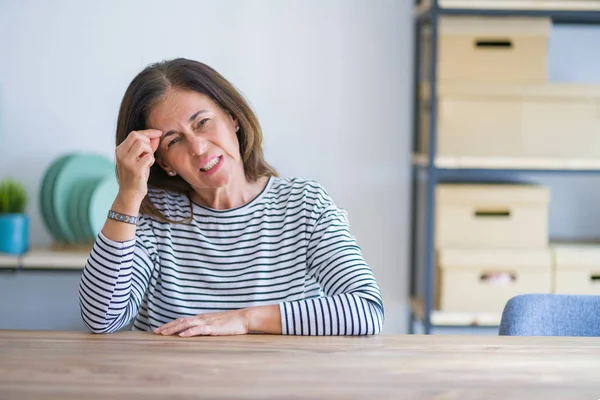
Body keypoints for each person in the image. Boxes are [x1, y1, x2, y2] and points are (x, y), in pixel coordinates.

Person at [78, 58, 384, 336]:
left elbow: (366, 310)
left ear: (232, 118)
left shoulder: (304, 205)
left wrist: (245, 319)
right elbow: (101, 318)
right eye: (174, 141)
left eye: (202, 122)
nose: (198, 148)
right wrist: (129, 195)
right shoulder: (152, 217)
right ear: (164, 163)